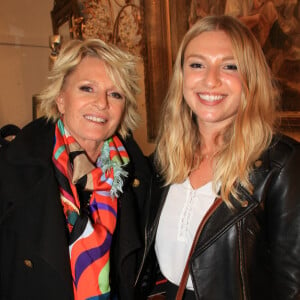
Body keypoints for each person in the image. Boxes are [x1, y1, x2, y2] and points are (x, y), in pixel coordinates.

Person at [139, 15, 300, 299]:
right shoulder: (164, 160)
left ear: (250, 77)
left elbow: (293, 284)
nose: (210, 80)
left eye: (230, 66)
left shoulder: (281, 164)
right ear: (182, 76)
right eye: (197, 65)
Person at [0, 38, 152, 300]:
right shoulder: (11, 170)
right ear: (61, 99)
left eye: (115, 94)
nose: (102, 103)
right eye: (87, 88)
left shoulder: (140, 175)